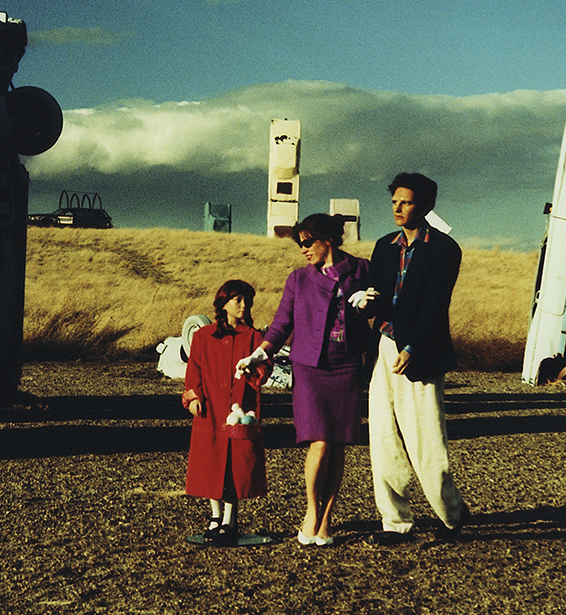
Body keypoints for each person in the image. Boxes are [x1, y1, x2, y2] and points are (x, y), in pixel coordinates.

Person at [238, 213, 376, 546]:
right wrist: (261, 353)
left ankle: (327, 519)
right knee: (321, 440)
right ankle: (311, 512)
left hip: (346, 365)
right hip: (309, 367)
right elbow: (281, 323)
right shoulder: (298, 279)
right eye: (299, 244)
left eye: (306, 242)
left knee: (339, 444)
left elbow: (378, 310)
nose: (302, 249)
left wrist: (365, 306)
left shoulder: (362, 270)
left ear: (326, 239)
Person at [365, 172, 469, 545]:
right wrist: (368, 310)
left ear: (424, 206)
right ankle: (394, 522)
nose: (397, 207)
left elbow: (435, 304)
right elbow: (375, 293)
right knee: (384, 439)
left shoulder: (443, 248)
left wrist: (413, 347)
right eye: (394, 201)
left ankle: (451, 515)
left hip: (420, 352)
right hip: (385, 347)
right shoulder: (383, 246)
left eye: (405, 202)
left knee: (426, 440)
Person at [182, 279, 270, 544]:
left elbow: (265, 368)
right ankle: (214, 517)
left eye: (246, 300)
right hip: (210, 409)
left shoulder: (254, 337)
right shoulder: (202, 336)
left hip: (239, 411)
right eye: (237, 300)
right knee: (210, 462)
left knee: (236, 465)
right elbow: (193, 369)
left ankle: (231, 519)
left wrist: (254, 370)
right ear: (224, 303)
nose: (243, 305)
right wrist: (193, 397)